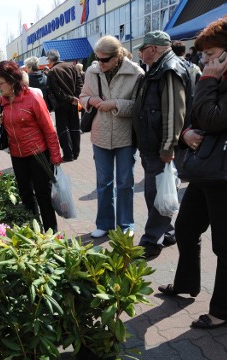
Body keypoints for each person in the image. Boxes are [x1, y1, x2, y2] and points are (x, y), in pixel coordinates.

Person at [158, 13, 227, 329]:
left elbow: (215, 118)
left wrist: (207, 79)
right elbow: (199, 115)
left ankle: (225, 310)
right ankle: (186, 284)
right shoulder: (226, 72)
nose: (204, 60)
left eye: (211, 54)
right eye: (203, 55)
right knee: (187, 229)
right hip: (211, 167)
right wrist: (187, 132)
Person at [132, 30, 192, 260]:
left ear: (154, 49)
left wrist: (168, 145)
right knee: (155, 192)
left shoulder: (169, 69)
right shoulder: (159, 67)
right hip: (152, 144)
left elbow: (173, 111)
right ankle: (166, 232)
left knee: (157, 193)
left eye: (143, 48)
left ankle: (151, 241)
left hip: (160, 146)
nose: (140, 53)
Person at [80, 35, 145, 239]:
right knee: (103, 182)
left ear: (117, 56)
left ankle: (125, 224)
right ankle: (104, 223)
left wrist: (115, 104)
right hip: (100, 134)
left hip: (125, 136)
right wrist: (91, 99)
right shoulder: (92, 71)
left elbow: (139, 106)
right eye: (97, 58)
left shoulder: (135, 73)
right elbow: (82, 96)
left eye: (105, 59)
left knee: (125, 182)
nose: (100, 63)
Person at [0, 60, 63, 232]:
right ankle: (35, 233)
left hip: (38, 154)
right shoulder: (3, 100)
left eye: (1, 83)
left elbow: (49, 129)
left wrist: (55, 157)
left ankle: (52, 234)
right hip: (17, 155)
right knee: (26, 196)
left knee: (43, 196)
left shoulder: (32, 98)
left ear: (12, 80)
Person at [47, 49, 83, 161]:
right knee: (75, 127)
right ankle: (75, 152)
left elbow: (56, 91)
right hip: (73, 103)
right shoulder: (72, 67)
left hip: (61, 104)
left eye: (48, 59)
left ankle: (68, 154)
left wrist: (70, 98)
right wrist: (75, 97)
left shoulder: (52, 71)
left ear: (51, 59)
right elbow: (80, 84)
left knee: (63, 129)